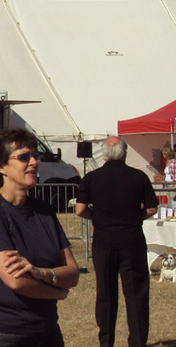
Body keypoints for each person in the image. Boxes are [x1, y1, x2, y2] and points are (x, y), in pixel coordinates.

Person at [0, 129, 79, 346]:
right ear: (1, 167)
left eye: (35, 156)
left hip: (48, 331)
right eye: (23, 157)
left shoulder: (45, 211)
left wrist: (42, 273)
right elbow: (16, 280)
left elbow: (73, 272)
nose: (33, 162)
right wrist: (58, 293)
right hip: (3, 334)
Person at [76, 136, 158, 347]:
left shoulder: (91, 178)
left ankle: (106, 341)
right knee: (136, 294)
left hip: (104, 242)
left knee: (105, 293)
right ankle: (138, 341)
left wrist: (98, 218)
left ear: (104, 154)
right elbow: (151, 208)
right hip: (131, 241)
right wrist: (132, 217)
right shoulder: (138, 177)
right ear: (124, 153)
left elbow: (80, 209)